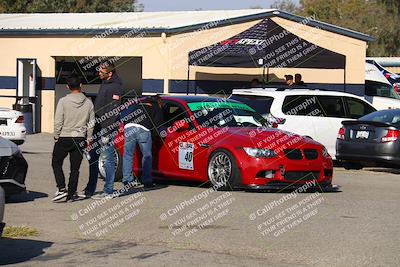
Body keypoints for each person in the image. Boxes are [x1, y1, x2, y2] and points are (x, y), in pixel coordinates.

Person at [51, 75, 94, 202]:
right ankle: (71, 193)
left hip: (64, 137)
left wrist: (56, 135)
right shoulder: (88, 102)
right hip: (80, 139)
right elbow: (91, 123)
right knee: (75, 169)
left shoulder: (63, 101)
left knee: (56, 162)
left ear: (67, 87)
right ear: (81, 85)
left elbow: (58, 121)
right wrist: (89, 138)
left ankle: (61, 188)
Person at [91, 61, 123, 200]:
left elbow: (114, 110)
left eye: (102, 72)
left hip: (107, 129)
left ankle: (108, 190)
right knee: (94, 157)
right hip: (98, 126)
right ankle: (90, 188)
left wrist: (107, 131)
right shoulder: (105, 84)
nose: (99, 73)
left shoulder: (116, 87)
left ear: (110, 73)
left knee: (108, 159)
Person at [121, 95, 163, 189]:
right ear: (158, 102)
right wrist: (154, 137)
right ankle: (147, 181)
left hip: (129, 127)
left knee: (128, 155)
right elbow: (158, 125)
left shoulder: (139, 105)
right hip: (143, 129)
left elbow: (125, 117)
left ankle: (127, 181)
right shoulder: (156, 107)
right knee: (147, 155)